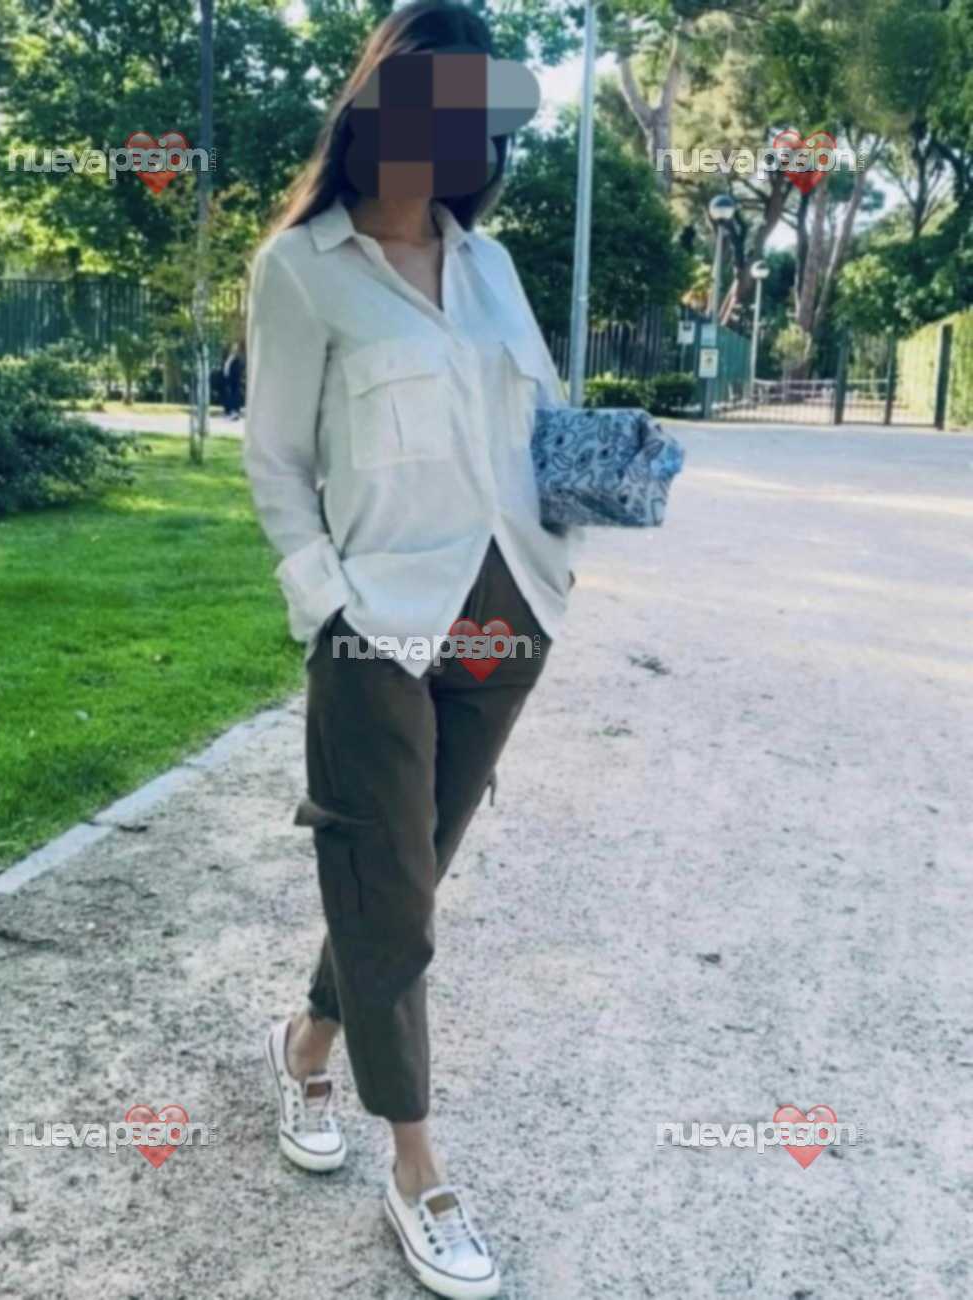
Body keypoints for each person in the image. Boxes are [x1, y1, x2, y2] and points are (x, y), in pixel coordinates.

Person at [243, 3, 578, 1295]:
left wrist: (579, 509)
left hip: (507, 606)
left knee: (407, 874)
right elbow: (278, 463)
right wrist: (325, 603)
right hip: (377, 620)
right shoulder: (301, 269)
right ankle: (419, 1167)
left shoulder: (491, 267)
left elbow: (537, 422)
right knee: (388, 883)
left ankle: (306, 1043)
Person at [222, 340, 245, 419]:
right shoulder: (228, 357)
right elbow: (226, 368)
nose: (234, 349)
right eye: (233, 348)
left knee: (235, 396)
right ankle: (228, 411)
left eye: (236, 348)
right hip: (227, 379)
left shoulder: (238, 359)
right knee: (228, 395)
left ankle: (235, 412)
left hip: (234, 380)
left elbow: (238, 370)